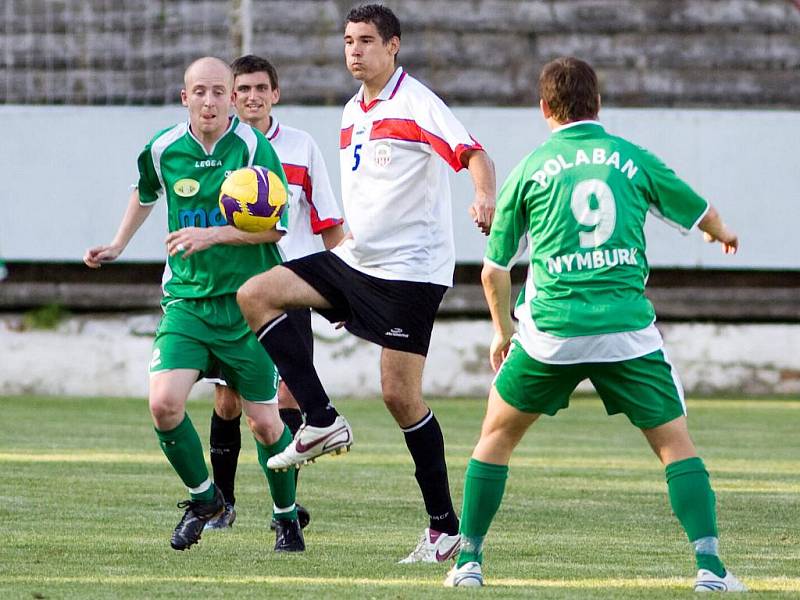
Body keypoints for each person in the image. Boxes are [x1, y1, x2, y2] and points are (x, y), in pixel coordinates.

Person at [443, 57, 745, 591]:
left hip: (550, 333)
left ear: (544, 109)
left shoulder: (531, 169)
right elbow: (700, 211)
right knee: (675, 445)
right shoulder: (630, 157)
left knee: (494, 438)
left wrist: (502, 333)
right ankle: (711, 570)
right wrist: (720, 234)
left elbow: (494, 271)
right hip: (626, 332)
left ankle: (468, 563)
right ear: (598, 104)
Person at [237, 4, 496, 563]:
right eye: (348, 41)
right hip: (356, 262)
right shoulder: (352, 110)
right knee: (256, 294)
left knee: (399, 396)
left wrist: (484, 194)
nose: (354, 50)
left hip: (409, 272)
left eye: (366, 41)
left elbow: (473, 152)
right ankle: (322, 419)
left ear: (393, 46)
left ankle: (443, 528)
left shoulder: (417, 102)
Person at [83, 56, 305, 553]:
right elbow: (144, 195)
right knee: (163, 404)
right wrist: (118, 245)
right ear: (185, 97)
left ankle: (286, 518)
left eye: (218, 92)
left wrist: (214, 234)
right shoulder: (163, 149)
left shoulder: (252, 147)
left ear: (231, 98)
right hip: (187, 303)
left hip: (249, 305)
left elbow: (277, 225)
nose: (209, 101)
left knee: (266, 424)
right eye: (199, 91)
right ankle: (206, 500)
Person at [203, 54, 345, 531]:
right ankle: (222, 502)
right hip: (234, 289)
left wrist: (346, 289)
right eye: (241, 89)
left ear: (275, 94)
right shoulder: (218, 151)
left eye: (260, 88)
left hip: (290, 291)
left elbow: (328, 222)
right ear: (231, 95)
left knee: (287, 394)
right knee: (229, 401)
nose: (251, 97)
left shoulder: (302, 147)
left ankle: (286, 508)